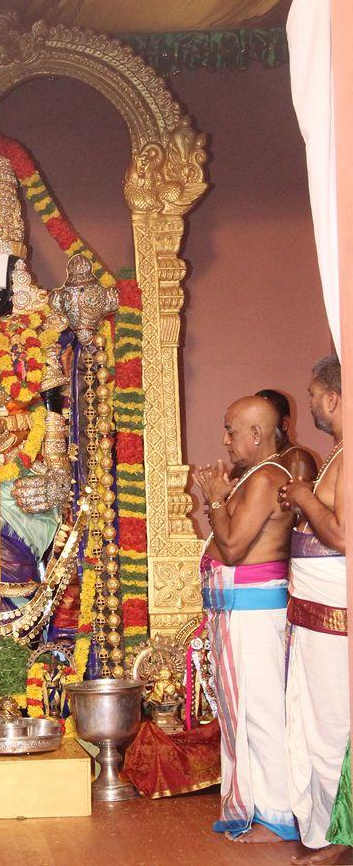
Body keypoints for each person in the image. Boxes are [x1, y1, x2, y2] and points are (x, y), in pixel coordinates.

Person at [194, 396, 298, 843]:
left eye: (231, 430)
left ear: (257, 434)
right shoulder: (255, 478)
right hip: (239, 613)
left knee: (262, 716)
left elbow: (234, 548)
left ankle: (277, 818)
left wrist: (214, 501)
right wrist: (218, 501)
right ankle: (252, 808)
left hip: (254, 616)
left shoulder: (267, 477)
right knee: (243, 714)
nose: (225, 440)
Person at [279, 355, 348, 865]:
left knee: (333, 727)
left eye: (312, 393)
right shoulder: (339, 453)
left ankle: (341, 834)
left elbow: (344, 536)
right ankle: (328, 830)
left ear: (334, 398)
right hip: (312, 619)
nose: (308, 403)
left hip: (332, 623)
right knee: (315, 725)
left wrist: (304, 494)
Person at [255, 389, 317, 481]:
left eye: (264, 420)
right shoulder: (250, 459)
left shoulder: (297, 458)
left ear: (284, 424)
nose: (257, 429)